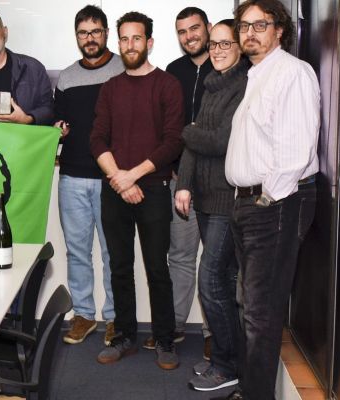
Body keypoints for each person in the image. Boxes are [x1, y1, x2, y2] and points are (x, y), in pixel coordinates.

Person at [219, 1, 320, 399]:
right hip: (250, 203)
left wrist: (266, 200)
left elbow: (295, 151)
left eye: (260, 25)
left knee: (260, 314)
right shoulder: (256, 74)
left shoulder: (291, 73)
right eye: (244, 26)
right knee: (251, 308)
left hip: (275, 204)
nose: (250, 33)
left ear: (279, 30)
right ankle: (249, 390)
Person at [89, 11, 184, 370]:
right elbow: (97, 139)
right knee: (119, 267)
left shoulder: (167, 85)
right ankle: (124, 336)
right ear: (119, 43)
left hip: (155, 190)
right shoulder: (110, 88)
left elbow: (172, 142)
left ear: (150, 42)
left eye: (137, 38)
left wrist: (133, 176)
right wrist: (119, 178)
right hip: (115, 190)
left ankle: (164, 340)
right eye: (125, 39)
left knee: (158, 269)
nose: (130, 45)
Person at [174, 19, 249, 392]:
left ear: (240, 47)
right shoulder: (212, 84)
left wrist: (189, 131)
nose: (217, 51)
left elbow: (221, 141)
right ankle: (227, 359)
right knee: (224, 281)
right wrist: (184, 185)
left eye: (225, 44)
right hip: (202, 197)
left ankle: (226, 365)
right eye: (214, 45)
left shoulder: (244, 85)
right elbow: (194, 146)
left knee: (211, 280)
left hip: (225, 200)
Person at [54, 5, 124, 347]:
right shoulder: (66, 77)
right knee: (77, 251)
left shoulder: (124, 69)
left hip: (113, 178)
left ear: (106, 33)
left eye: (96, 31)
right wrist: (59, 128)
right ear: (77, 37)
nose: (90, 38)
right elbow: (58, 120)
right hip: (72, 176)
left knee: (114, 252)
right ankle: (83, 314)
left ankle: (115, 317)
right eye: (83, 33)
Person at [145, 6, 213, 352]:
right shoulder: (173, 71)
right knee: (181, 257)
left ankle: (215, 335)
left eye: (195, 28)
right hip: (179, 181)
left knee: (218, 262)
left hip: (220, 184)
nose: (190, 36)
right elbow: (167, 128)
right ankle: (172, 327)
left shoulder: (230, 67)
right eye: (183, 31)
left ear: (208, 28)